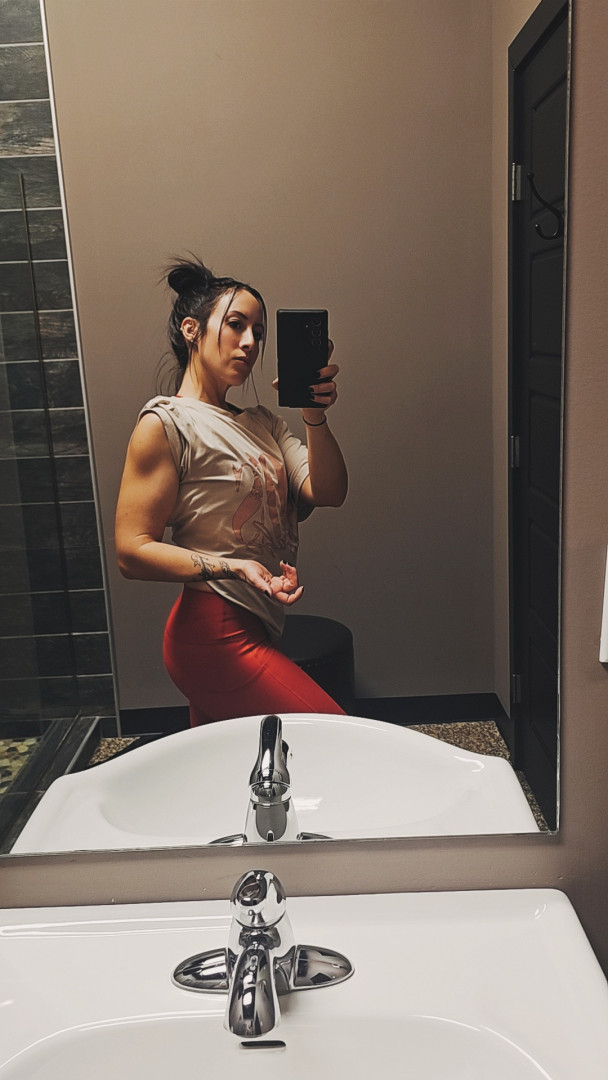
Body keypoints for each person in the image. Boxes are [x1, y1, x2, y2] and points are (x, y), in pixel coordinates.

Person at [115, 257, 348, 726]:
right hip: (214, 634)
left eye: (258, 333)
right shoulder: (167, 423)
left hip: (259, 625)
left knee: (232, 764)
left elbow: (328, 490)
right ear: (192, 330)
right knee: (337, 741)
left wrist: (314, 415)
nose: (249, 343)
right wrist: (235, 567)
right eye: (236, 324)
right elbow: (131, 551)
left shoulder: (264, 424)